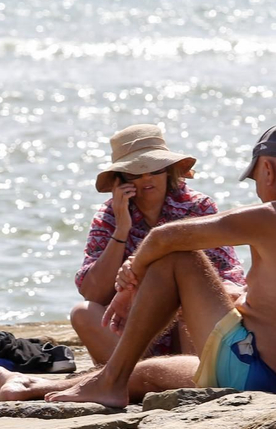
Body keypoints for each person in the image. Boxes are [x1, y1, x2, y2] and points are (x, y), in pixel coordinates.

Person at [0, 122, 276, 406]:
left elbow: (164, 239)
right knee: (151, 374)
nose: (259, 187)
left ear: (268, 171)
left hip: (253, 369)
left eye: (257, 176)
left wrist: (130, 280)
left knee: (177, 256)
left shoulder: (274, 216)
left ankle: (109, 384)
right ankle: (31, 386)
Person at [71, 124, 244, 364]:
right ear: (121, 179)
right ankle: (135, 375)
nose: (146, 178)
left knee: (188, 302)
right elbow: (93, 292)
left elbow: (223, 278)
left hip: (185, 326)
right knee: (82, 313)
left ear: (168, 170)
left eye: (154, 168)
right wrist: (122, 228)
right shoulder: (110, 214)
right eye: (135, 172)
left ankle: (181, 376)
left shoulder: (197, 207)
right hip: (136, 332)